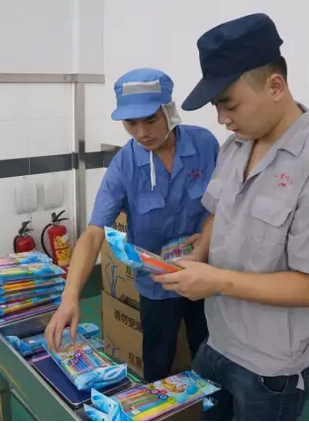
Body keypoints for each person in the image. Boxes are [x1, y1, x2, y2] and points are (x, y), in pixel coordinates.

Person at [152, 14, 309, 420]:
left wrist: (216, 280)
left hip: (271, 369)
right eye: (217, 107)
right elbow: (218, 213)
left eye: (229, 104)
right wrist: (198, 256)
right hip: (218, 341)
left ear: (275, 86)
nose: (222, 119)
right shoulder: (235, 147)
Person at [44, 67, 220, 383]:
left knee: (210, 353)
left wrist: (203, 247)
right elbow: (94, 233)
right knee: (158, 358)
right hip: (156, 283)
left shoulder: (205, 145)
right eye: (131, 123)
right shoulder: (125, 165)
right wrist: (70, 297)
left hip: (205, 271)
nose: (141, 133)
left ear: (169, 110)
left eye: (150, 119)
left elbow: (222, 207)